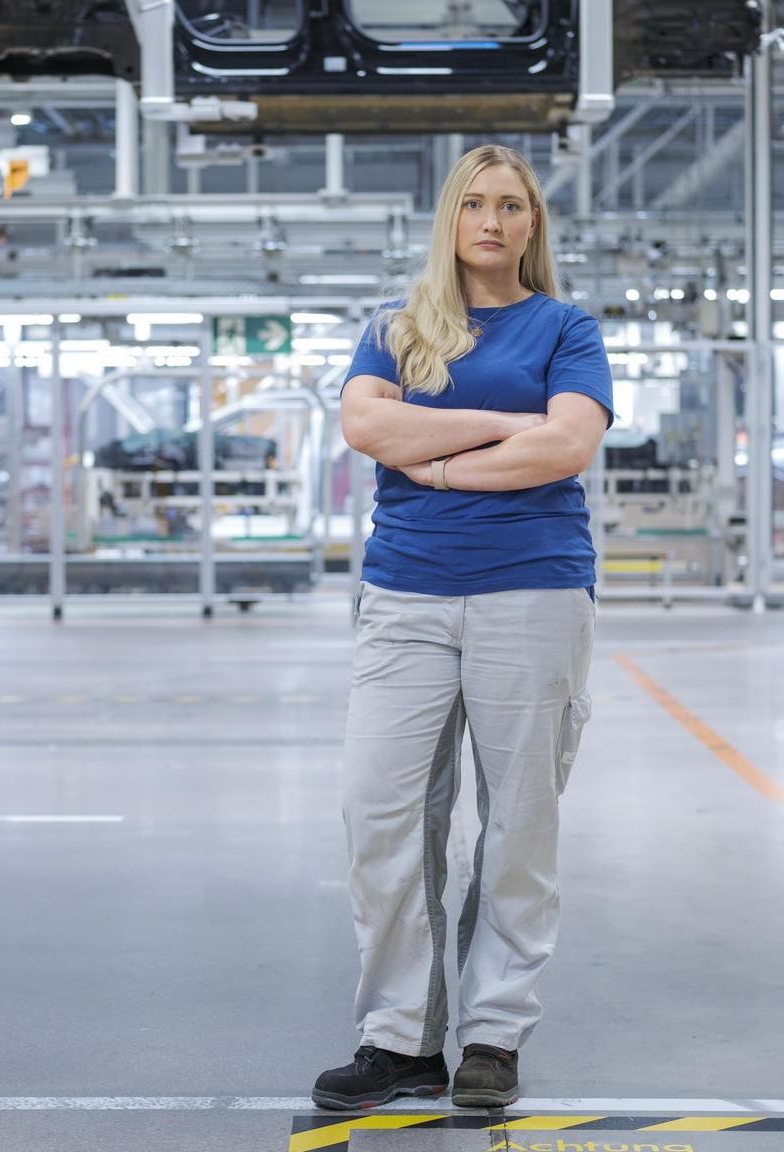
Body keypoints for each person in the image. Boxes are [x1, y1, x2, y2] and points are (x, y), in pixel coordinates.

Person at [313, 145, 613, 1112]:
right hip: (404, 594)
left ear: (533, 225)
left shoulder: (567, 328)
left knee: (517, 823)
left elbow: (567, 446)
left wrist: (434, 457)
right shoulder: (398, 330)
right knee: (382, 814)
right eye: (474, 204)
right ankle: (400, 1039)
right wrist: (500, 429)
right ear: (451, 219)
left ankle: (492, 1035)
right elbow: (366, 429)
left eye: (511, 206)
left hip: (532, 589)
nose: (491, 220)